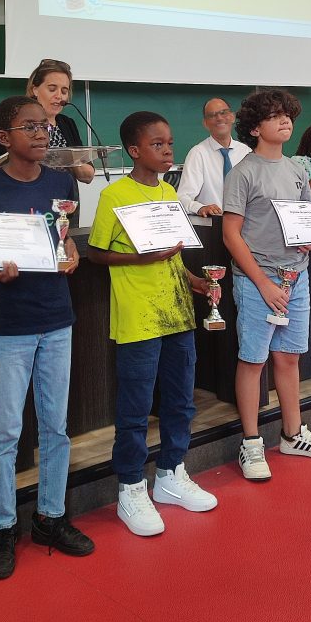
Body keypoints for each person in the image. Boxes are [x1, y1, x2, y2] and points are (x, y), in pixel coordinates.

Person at [87, 110, 218, 537]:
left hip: (177, 312)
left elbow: (172, 253)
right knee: (136, 407)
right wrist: (139, 259)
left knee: (180, 400)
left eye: (170, 144)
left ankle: (171, 473)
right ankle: (130, 486)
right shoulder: (114, 194)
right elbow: (96, 253)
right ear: (134, 150)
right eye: (157, 144)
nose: (167, 151)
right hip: (138, 316)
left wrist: (195, 281)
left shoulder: (168, 191)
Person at [0, 96, 94, 581]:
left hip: (57, 318)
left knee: (56, 428)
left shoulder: (59, 181)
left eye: (43, 127)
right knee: (5, 433)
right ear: (4, 137)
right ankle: (0, 527)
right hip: (11, 325)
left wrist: (69, 250)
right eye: (28, 126)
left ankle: (51, 518)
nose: (40, 133)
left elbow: (62, 235)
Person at [222, 88, 311, 482]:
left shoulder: (295, 169)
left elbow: (302, 218)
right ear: (255, 128)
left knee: (289, 358)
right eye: (274, 116)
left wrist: (308, 238)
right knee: (253, 361)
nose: (284, 121)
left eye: (286, 114)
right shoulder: (243, 172)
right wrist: (263, 284)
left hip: (296, 275)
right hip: (259, 279)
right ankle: (251, 442)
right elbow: (231, 235)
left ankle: (292, 434)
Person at [0, 59, 95, 185]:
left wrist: (66, 158)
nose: (59, 96)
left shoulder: (67, 123)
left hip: (65, 195)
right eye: (52, 89)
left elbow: (88, 176)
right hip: (27, 194)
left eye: (64, 91)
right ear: (35, 90)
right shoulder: (15, 122)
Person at [178, 97, 251, 217]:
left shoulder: (246, 152)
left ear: (232, 117)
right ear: (205, 123)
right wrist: (200, 208)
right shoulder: (198, 153)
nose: (219, 118)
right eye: (212, 115)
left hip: (246, 222)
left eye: (223, 112)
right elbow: (182, 197)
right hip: (213, 223)